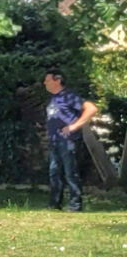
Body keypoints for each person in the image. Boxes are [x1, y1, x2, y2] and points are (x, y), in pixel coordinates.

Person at [42, 68, 97, 212]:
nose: (44, 83)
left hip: (67, 141)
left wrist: (74, 126)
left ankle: (75, 205)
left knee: (70, 172)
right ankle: (54, 204)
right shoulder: (53, 99)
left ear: (57, 80)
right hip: (55, 141)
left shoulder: (68, 96)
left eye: (47, 80)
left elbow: (91, 108)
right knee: (54, 173)